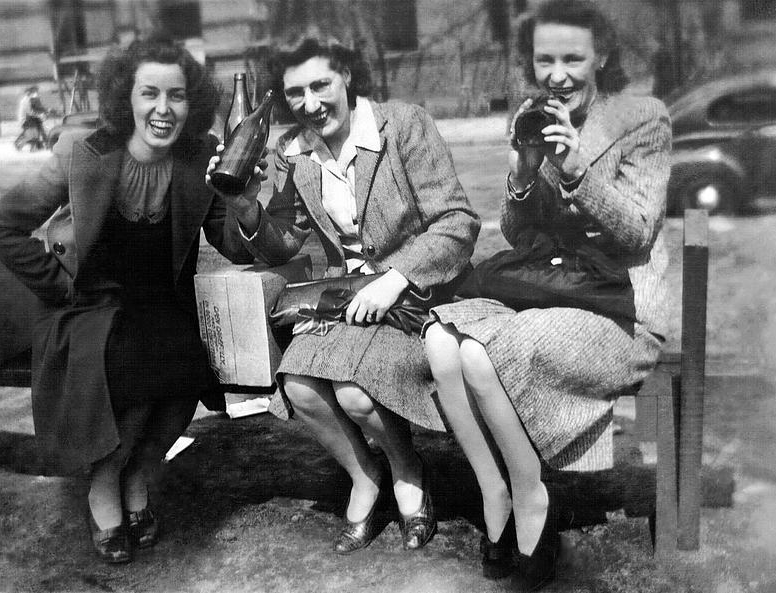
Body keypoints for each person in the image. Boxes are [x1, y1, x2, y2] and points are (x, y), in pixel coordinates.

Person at [423, 0, 671, 589]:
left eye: (572, 58)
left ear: (601, 57)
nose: (557, 73)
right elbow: (519, 234)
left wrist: (578, 167)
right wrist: (524, 171)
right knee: (439, 338)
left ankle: (532, 495)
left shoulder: (643, 118)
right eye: (545, 59)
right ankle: (496, 489)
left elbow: (638, 229)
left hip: (619, 307)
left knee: (485, 353)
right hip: (547, 286)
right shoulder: (533, 114)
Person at [0, 37, 252, 564]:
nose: (162, 109)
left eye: (176, 96)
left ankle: (139, 472)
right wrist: (60, 287)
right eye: (149, 93)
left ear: (190, 102)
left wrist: (243, 206)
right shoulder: (81, 153)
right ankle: (103, 487)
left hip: (162, 306)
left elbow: (233, 244)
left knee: (188, 367)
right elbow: (1, 226)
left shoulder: (199, 157)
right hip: (89, 312)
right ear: (124, 97)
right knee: (128, 366)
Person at [206, 36, 480, 554]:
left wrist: (395, 277)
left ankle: (407, 469)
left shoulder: (403, 125)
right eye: (295, 93)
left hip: (418, 294)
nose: (309, 105)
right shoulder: (295, 153)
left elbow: (456, 222)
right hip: (345, 300)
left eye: (320, 85)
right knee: (300, 387)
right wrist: (245, 208)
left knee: (355, 393)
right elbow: (283, 241)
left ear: (347, 76)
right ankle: (363, 474)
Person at [14, 86, 51, 151]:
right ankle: (20, 145)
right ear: (28, 92)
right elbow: (30, 112)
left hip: (29, 119)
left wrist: (43, 111)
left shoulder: (29, 99)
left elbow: (37, 108)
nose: (35, 93)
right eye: (33, 91)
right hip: (26, 120)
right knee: (33, 135)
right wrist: (40, 115)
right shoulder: (26, 100)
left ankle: (36, 146)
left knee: (35, 132)